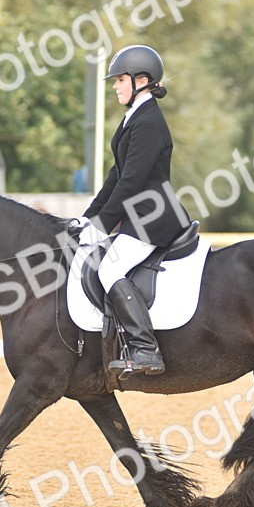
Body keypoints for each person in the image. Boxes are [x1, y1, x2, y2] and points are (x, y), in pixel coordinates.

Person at [68, 45, 190, 377]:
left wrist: (102, 224)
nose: (115, 86)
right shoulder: (134, 117)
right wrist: (90, 217)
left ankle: (145, 349)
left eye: (120, 80)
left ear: (142, 80)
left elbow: (134, 181)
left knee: (109, 270)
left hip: (153, 218)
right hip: (139, 215)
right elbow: (117, 175)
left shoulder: (148, 121)